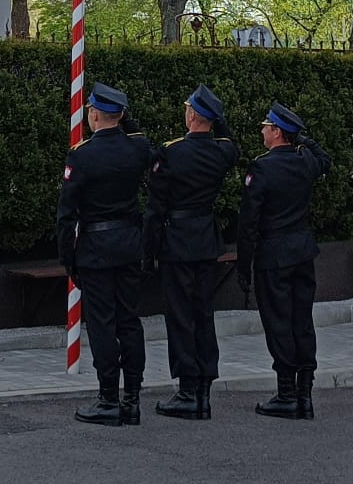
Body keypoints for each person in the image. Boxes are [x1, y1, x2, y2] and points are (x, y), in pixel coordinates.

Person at [56, 82, 153, 426]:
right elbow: (142, 141)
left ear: (93, 114)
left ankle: (109, 398)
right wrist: (125, 119)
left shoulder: (82, 155)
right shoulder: (137, 149)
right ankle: (133, 399)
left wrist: (68, 259)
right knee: (129, 321)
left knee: (102, 324)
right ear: (121, 115)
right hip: (129, 245)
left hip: (96, 250)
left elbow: (66, 215)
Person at [141, 84, 238, 420]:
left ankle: (187, 391)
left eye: (188, 108)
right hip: (206, 241)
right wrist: (216, 119)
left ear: (193, 115)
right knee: (203, 315)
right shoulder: (222, 152)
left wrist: (148, 252)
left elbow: (155, 209)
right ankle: (204, 392)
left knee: (181, 317)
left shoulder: (171, 152)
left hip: (177, 242)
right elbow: (230, 143)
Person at [236, 102, 330, 420]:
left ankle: (287, 394)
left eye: (266, 126)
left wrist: (244, 265)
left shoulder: (262, 167)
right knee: (302, 322)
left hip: (273, 255)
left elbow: (249, 222)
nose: (262, 131)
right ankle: (305, 396)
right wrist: (304, 140)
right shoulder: (305, 161)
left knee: (279, 324)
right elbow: (324, 160)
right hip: (302, 252)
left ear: (277, 132)